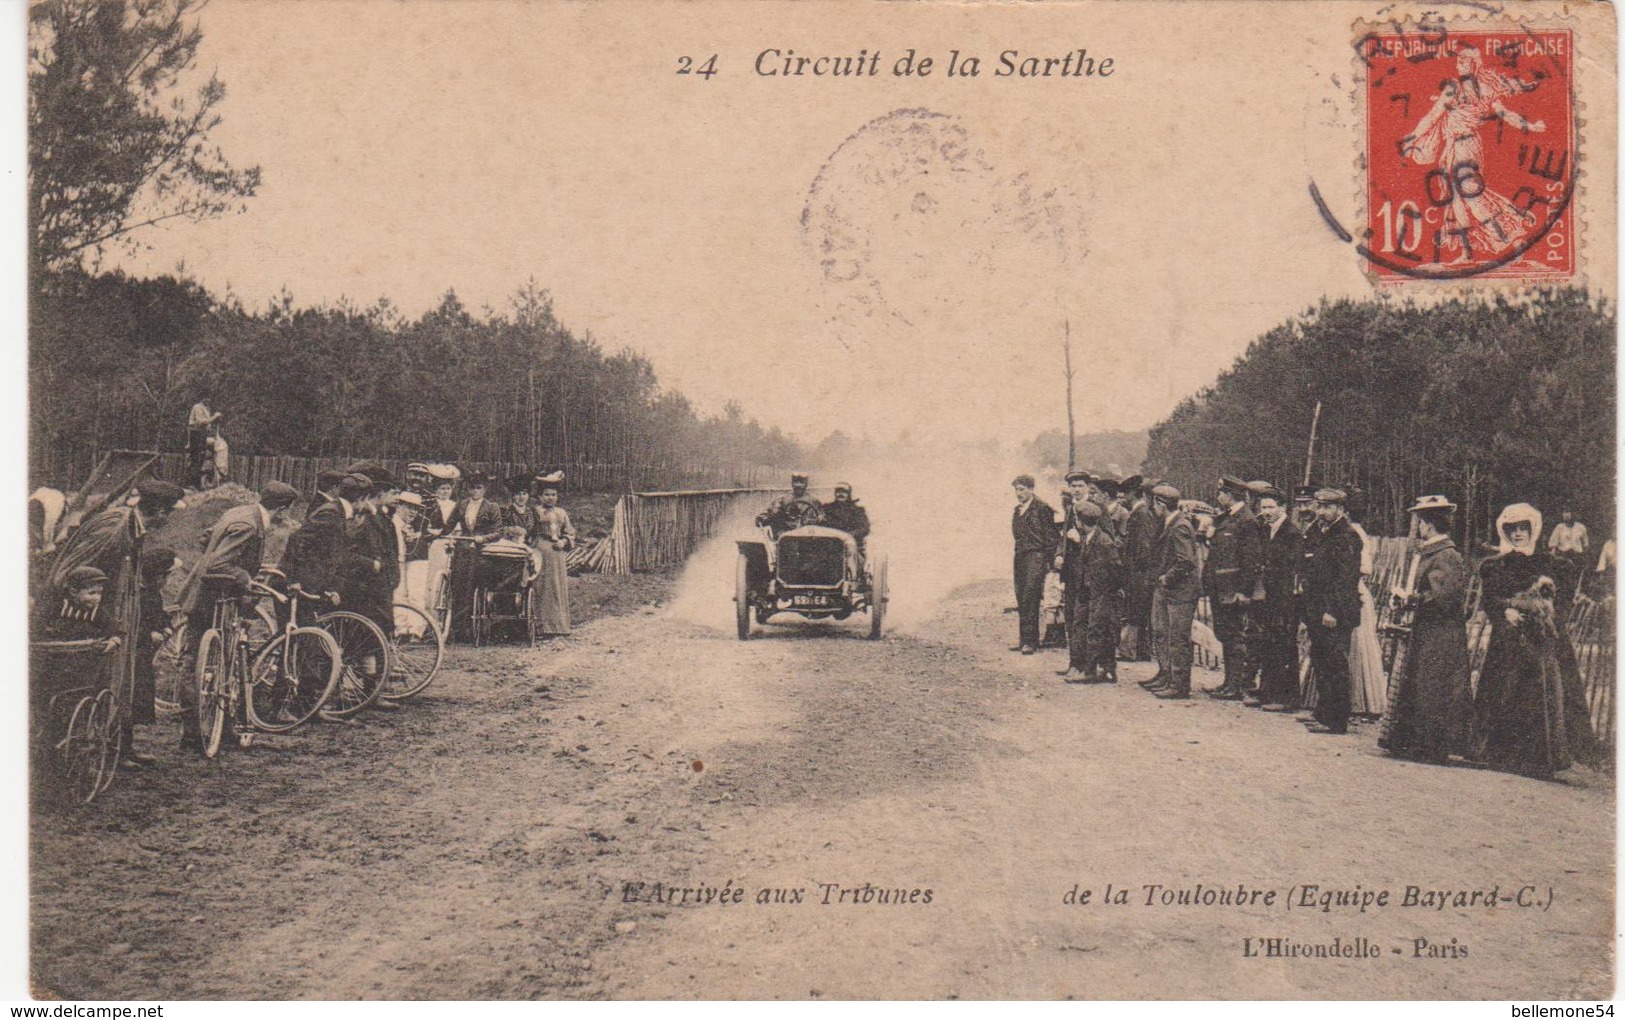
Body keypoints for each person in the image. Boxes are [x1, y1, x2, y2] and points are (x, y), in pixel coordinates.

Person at [1469, 503, 1599, 779]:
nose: (1518, 534)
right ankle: (1498, 753)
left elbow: (1561, 603)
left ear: (1533, 530)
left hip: (1538, 642)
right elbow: (1490, 600)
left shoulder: (1550, 564)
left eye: (1523, 528)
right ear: (1504, 532)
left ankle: (1537, 759)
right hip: (1507, 638)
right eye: (1512, 529)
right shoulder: (1495, 566)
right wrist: (1506, 611)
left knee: (1535, 695)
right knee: (1502, 691)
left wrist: (1544, 615)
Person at [175, 481, 300, 749]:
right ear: (281, 509)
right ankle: (194, 733)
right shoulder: (250, 525)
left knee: (216, 661)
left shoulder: (238, 512)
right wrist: (244, 577)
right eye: (287, 511)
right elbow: (219, 562)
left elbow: (206, 539)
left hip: (213, 595)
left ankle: (216, 728)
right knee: (198, 662)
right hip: (210, 598)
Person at [1402, 44, 1547, 264]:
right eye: (1458, 61)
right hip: (1451, 147)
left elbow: (1505, 114)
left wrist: (1530, 126)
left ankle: (1511, 240)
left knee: (1471, 194)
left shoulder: (1486, 89)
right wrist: (1413, 137)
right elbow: (1432, 116)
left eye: (1464, 61)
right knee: (1456, 199)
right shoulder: (1452, 88)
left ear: (1475, 65)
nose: (1459, 65)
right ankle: (1467, 253)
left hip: (1467, 145)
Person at [1378, 496, 1471, 764]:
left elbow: (1443, 597)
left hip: (1441, 634)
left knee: (1433, 686)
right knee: (1421, 683)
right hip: (1430, 630)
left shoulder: (1446, 555)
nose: (1418, 527)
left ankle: (1430, 746)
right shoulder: (1433, 553)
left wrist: (1412, 599)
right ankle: (1413, 742)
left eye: (1420, 522)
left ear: (1428, 525)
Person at [1297, 488, 1363, 735]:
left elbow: (1346, 580)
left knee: (1335, 664)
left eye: (1327, 507)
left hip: (1335, 612)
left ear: (1340, 510)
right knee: (1320, 660)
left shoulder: (1347, 536)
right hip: (1316, 609)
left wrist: (1332, 611)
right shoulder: (1318, 531)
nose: (1321, 511)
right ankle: (1322, 713)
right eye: (1319, 506)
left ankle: (1336, 720)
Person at [1203, 476, 1263, 701]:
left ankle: (1236, 685)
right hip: (1221, 588)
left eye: (1221, 493)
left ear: (1231, 495)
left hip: (1233, 590)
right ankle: (1228, 682)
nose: (1218, 497)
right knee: (1225, 635)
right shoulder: (1227, 519)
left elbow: (1250, 560)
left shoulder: (1246, 520)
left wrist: (1244, 591)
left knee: (1234, 636)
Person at [1145, 484, 1201, 698]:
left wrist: (1167, 578)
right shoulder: (1168, 523)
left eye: (1155, 503)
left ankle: (1179, 684)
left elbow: (1185, 561)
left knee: (1178, 638)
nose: (1153, 507)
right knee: (1161, 633)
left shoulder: (1180, 526)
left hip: (1180, 591)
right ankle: (1165, 674)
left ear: (1160, 504)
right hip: (1167, 589)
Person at [1249, 487, 1301, 711]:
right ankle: (1267, 692)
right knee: (1267, 644)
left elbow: (1293, 568)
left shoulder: (1291, 533)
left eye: (1271, 507)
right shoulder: (1265, 531)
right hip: (1268, 597)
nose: (1266, 512)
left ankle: (1286, 698)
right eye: (1263, 508)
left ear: (1283, 508)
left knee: (1283, 645)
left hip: (1284, 598)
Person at [444, 473, 503, 642]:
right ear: (468, 489)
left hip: (483, 551)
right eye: (472, 487)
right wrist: (439, 533)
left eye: (479, 488)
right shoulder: (461, 505)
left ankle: (476, 628)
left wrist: (483, 538)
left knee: (476, 586)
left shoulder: (492, 507)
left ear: (484, 490)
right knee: (459, 588)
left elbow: (498, 531)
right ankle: (457, 630)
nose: (475, 491)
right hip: (463, 550)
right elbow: (449, 525)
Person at [1344, 489, 1387, 718]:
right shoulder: (1358, 532)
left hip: (1355, 592)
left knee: (1356, 644)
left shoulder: (1354, 533)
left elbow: (1365, 568)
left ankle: (1357, 700)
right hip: (1356, 589)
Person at [1008, 475, 1058, 656]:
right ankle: (1025, 640)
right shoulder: (1018, 510)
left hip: (1036, 556)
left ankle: (1031, 641)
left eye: (1022, 489)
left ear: (1031, 489)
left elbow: (1051, 536)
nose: (1018, 493)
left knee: (1031, 595)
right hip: (1021, 556)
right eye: (1016, 489)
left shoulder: (1042, 508)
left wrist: (1050, 562)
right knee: (1021, 596)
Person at [533, 478, 575, 637]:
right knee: (541, 587)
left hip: (557, 555)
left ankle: (559, 626)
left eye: (553, 495)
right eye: (546, 494)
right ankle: (541, 627)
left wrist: (564, 542)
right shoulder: (535, 511)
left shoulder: (561, 513)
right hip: (540, 552)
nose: (550, 498)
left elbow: (569, 532)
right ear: (540, 496)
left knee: (556, 587)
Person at [1120, 476, 1156, 661]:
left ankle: (1133, 651)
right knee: (1139, 611)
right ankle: (1141, 651)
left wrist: (1135, 570)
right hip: (1138, 571)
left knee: (1137, 610)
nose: (1123, 497)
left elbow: (1143, 547)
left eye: (1125, 493)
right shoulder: (1140, 512)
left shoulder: (1140, 514)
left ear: (1133, 493)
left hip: (1139, 573)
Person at [186, 401, 223, 488]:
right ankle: (192, 483)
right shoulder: (198, 407)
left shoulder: (206, 408)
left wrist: (216, 419)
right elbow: (201, 422)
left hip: (203, 433)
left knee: (202, 457)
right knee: (196, 457)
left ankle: (199, 483)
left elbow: (208, 424)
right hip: (196, 433)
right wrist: (214, 417)